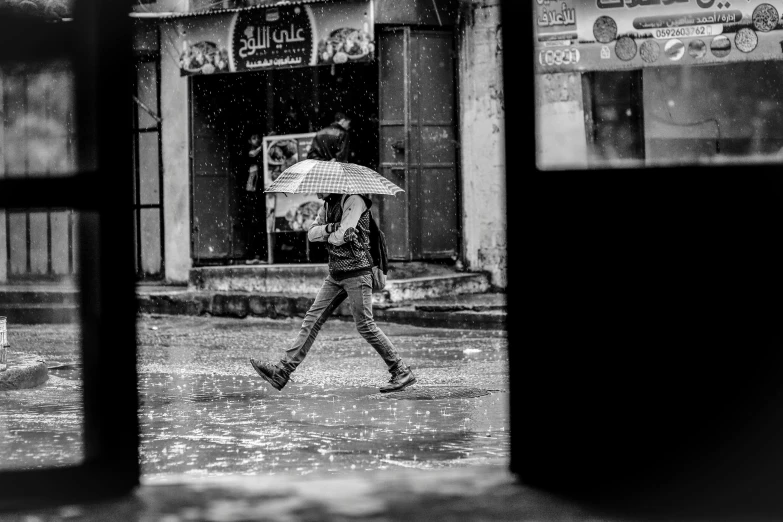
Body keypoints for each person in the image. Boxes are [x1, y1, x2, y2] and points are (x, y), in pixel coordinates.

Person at [249, 190, 416, 393]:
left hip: (357, 273)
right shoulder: (327, 205)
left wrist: (330, 232)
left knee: (365, 325)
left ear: (333, 185)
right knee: (312, 319)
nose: (317, 192)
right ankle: (282, 372)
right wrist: (332, 228)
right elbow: (312, 234)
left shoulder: (354, 201)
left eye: (320, 188)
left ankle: (400, 370)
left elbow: (341, 237)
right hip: (336, 274)